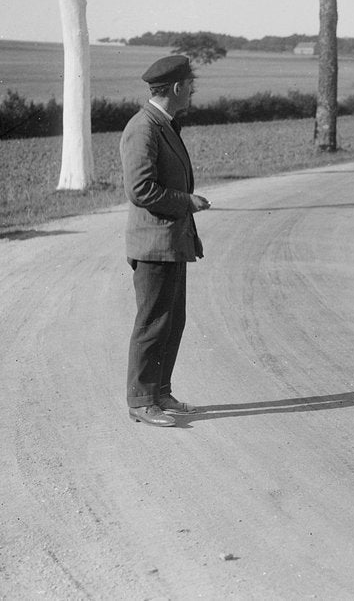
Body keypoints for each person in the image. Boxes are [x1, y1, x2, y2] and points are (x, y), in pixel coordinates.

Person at [120, 55, 211, 427]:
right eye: (190, 85)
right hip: (153, 246)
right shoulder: (144, 128)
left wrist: (191, 235)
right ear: (176, 88)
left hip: (171, 242)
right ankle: (141, 400)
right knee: (154, 322)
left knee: (173, 320)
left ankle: (159, 391)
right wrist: (188, 203)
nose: (192, 91)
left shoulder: (164, 125)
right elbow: (141, 190)